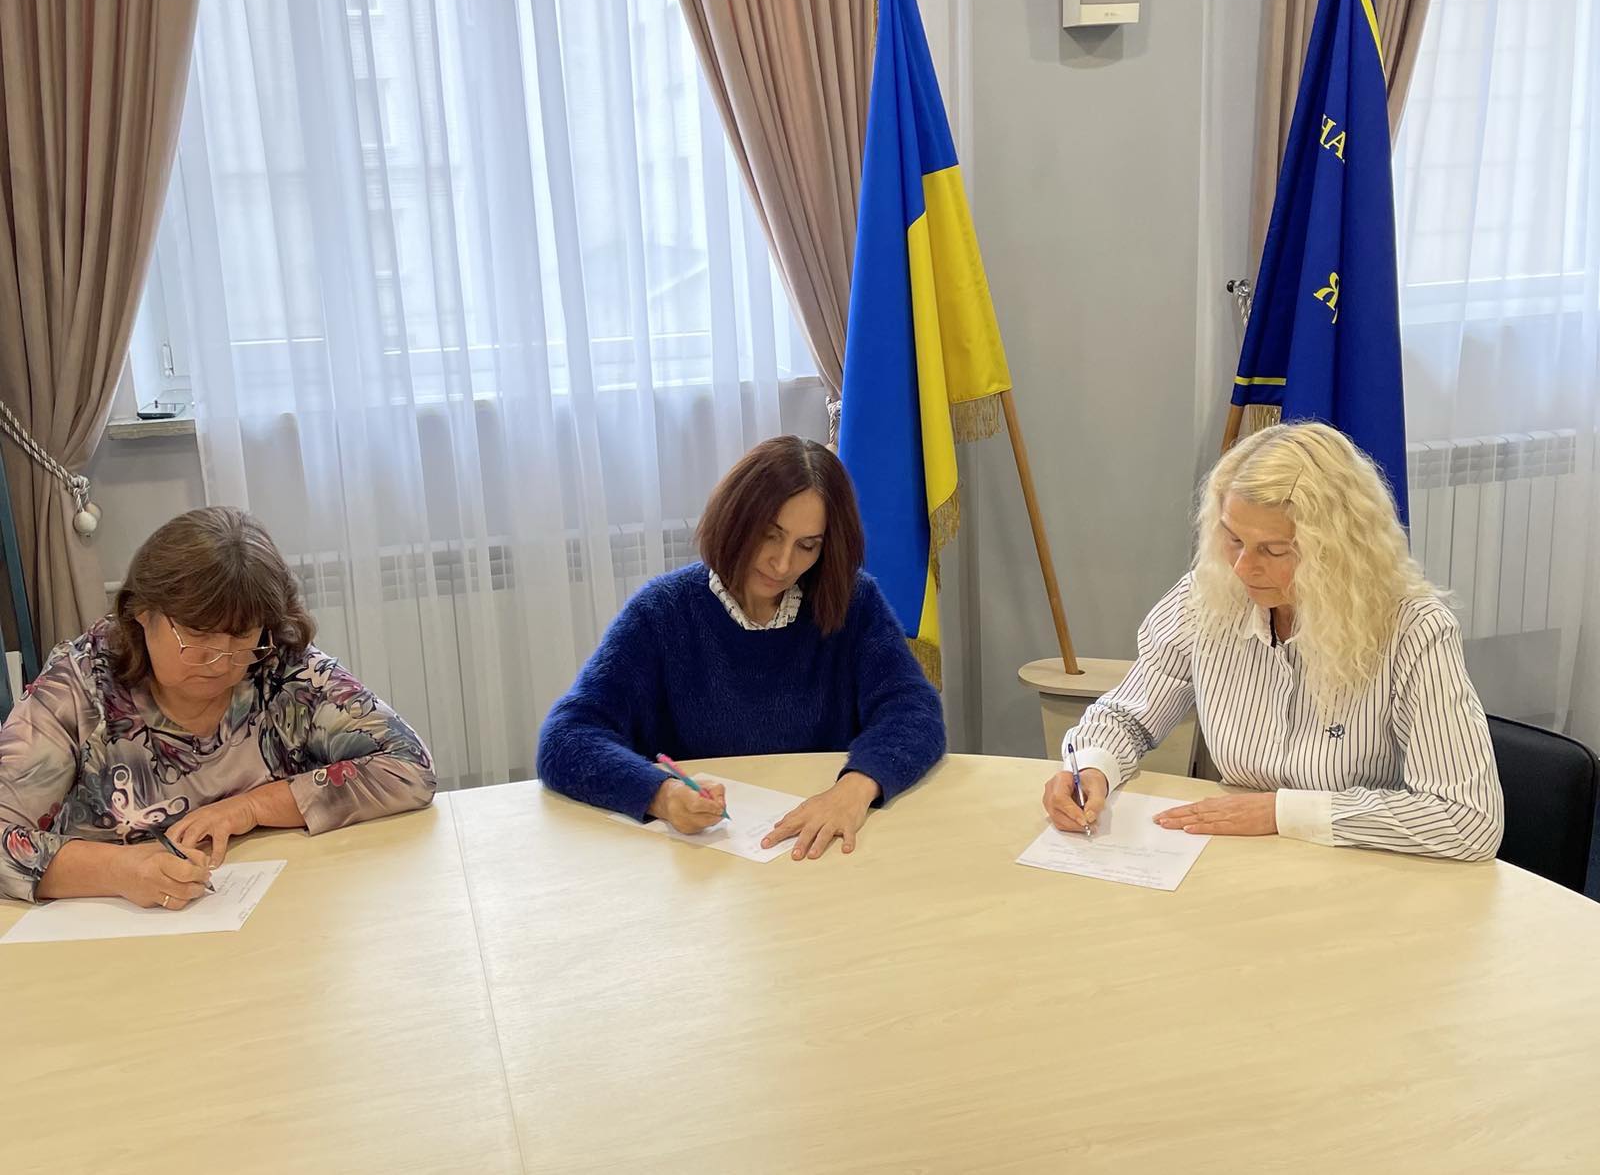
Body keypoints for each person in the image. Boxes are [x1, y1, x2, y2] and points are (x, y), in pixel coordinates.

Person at [1043, 421, 1504, 862]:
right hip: (1234, 863)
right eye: (1233, 539)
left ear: (1337, 550)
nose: (1243, 567)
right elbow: (1128, 716)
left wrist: (1280, 813)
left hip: (1362, 872)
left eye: (1274, 550)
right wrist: (1092, 766)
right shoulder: (1207, 596)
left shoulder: (1413, 629)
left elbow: (1467, 818)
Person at [0, 507, 436, 906]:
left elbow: (410, 767)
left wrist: (252, 807)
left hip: (270, 911)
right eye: (197, 634)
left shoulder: (283, 668)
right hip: (107, 927)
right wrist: (121, 871)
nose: (220, 660)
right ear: (141, 612)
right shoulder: (80, 682)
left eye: (241, 635)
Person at [537, 435, 946, 859]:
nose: (782, 564)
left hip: (822, 851)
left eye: (807, 546)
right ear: (736, 518)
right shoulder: (662, 612)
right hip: (700, 860)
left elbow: (914, 711)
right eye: (770, 536)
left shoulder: (852, 602)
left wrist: (854, 789)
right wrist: (662, 794)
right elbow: (566, 737)